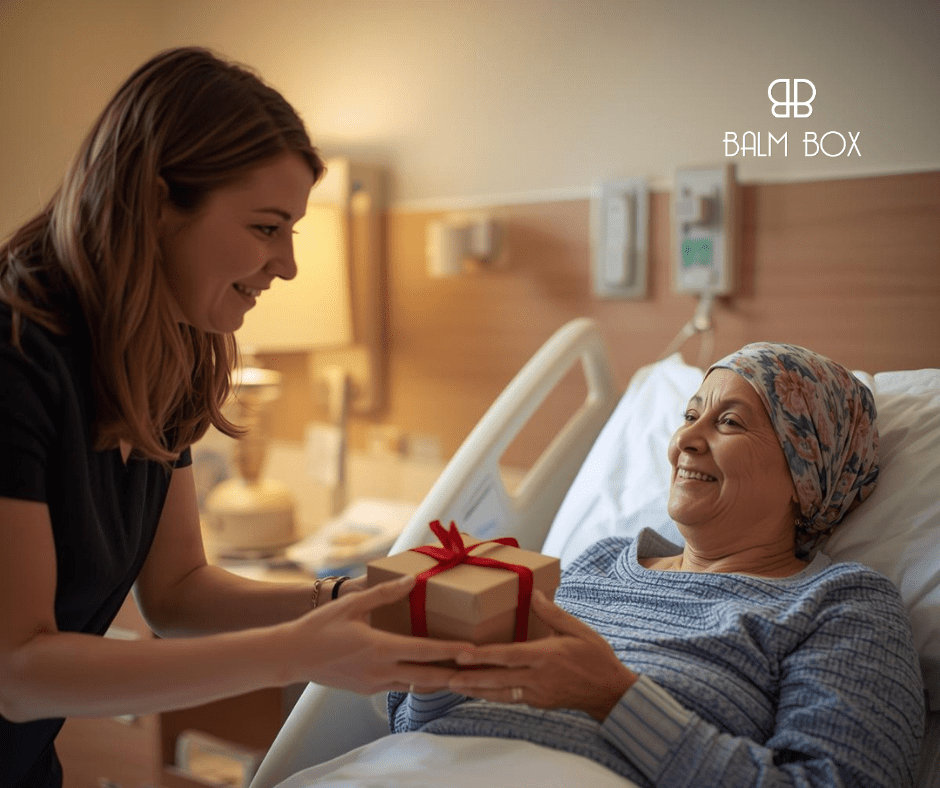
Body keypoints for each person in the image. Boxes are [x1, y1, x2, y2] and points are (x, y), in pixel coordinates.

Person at [0, 47, 467, 787]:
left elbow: (179, 592)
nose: (285, 265)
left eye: (292, 231)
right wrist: (303, 652)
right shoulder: (17, 354)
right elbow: (18, 672)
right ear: (156, 203)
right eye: (265, 227)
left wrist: (343, 601)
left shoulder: (166, 356)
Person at [390, 343, 926, 787]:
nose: (686, 440)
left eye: (730, 422)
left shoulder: (843, 604)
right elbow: (411, 729)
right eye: (691, 416)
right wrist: (437, 674)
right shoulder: (597, 563)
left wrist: (615, 698)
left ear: (805, 472)